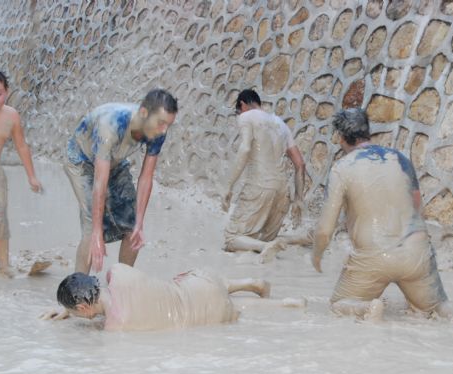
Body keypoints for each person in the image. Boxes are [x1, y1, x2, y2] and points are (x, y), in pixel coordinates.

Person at [312, 108, 453, 333]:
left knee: (338, 305)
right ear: (367, 132)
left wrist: (317, 254)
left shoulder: (341, 168)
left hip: (373, 257)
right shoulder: (400, 158)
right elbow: (418, 205)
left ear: (340, 137)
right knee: (436, 306)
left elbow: (325, 229)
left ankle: (367, 309)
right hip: (415, 252)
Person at [64, 89, 177, 274]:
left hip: (115, 161)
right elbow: (100, 183)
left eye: (168, 125)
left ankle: (124, 283)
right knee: (91, 226)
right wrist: (97, 233)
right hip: (81, 161)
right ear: (143, 114)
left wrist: (139, 222)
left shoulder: (158, 130)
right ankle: (77, 292)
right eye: (161, 123)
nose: (164, 130)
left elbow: (146, 178)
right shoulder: (111, 125)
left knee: (132, 227)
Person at [41, 262, 272, 331]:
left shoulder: (116, 325)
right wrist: (70, 308)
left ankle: (283, 306)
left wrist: (70, 314)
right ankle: (246, 283)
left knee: (237, 311)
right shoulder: (117, 271)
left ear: (82, 308)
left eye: (76, 312)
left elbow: (102, 319)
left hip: (210, 315)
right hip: (204, 283)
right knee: (185, 285)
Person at [222, 89, 309, 263]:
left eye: (238, 111)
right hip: (282, 193)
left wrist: (228, 186)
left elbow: (245, 149)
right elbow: (300, 164)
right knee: (258, 239)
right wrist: (298, 199)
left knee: (232, 239)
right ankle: (297, 238)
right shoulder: (280, 124)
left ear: (242, 104)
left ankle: (266, 247)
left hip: (259, 186)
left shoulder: (246, 117)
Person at [0, 69, 42, 278]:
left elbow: (21, 146)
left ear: (7, 92)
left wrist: (32, 176)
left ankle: (3, 266)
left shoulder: (11, 116)